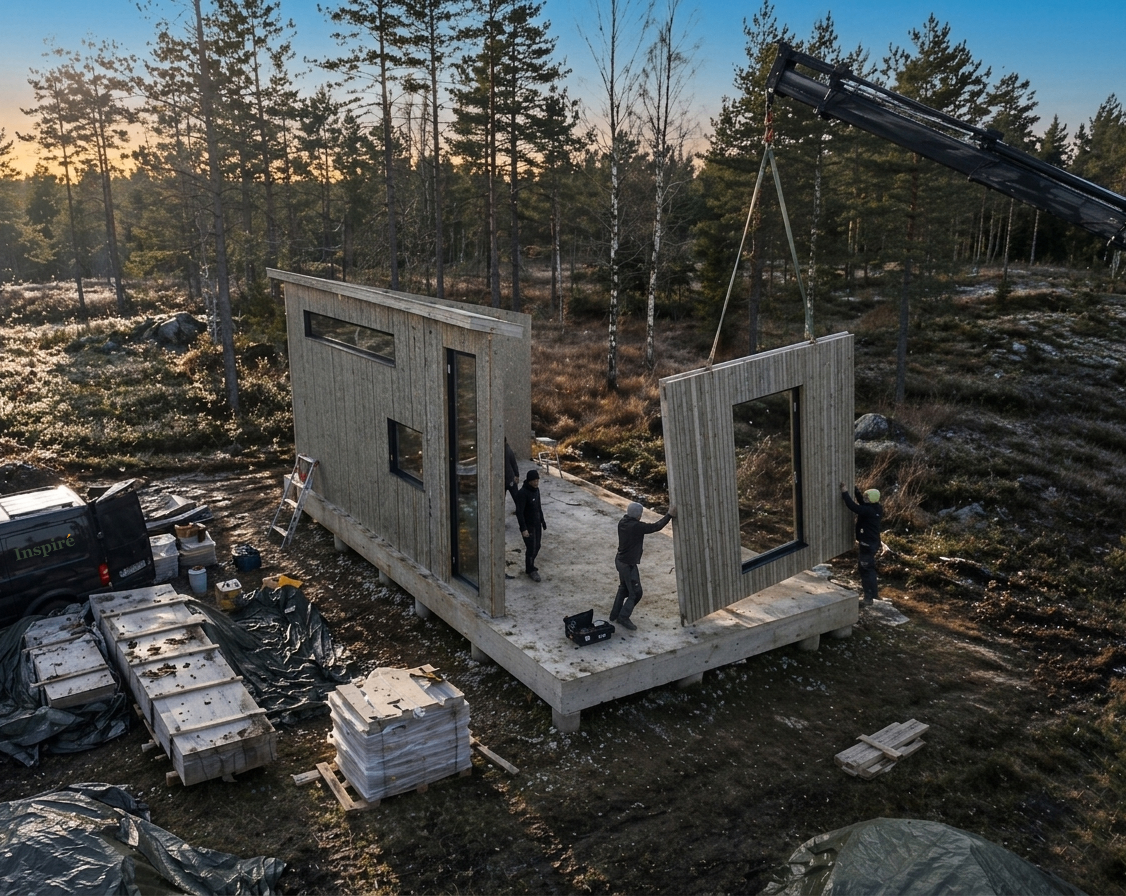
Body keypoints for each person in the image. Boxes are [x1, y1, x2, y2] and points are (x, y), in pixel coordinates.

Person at [610, 502, 676, 631]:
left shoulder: (623, 522)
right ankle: (623, 617)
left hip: (620, 560)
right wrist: (669, 515)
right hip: (628, 565)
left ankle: (614, 614)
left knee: (624, 588)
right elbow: (656, 527)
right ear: (638, 515)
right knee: (636, 592)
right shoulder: (636, 526)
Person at [840, 482, 882, 605]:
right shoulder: (876, 508)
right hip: (872, 543)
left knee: (865, 569)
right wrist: (855, 489)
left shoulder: (868, 511)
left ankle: (868, 598)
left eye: (867, 497)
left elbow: (853, 506)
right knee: (868, 568)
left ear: (872, 499)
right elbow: (862, 502)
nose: (864, 499)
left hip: (867, 545)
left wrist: (845, 493)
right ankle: (873, 594)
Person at [515, 469, 546, 582]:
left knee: (537, 546)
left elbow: (538, 507)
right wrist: (523, 529)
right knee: (531, 548)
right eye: (534, 480)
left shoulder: (536, 490)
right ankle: (530, 569)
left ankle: (531, 565)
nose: (536, 482)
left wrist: (542, 521)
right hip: (529, 526)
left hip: (537, 524)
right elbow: (519, 512)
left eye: (537, 480)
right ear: (529, 481)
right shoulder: (522, 493)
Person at [504, 437, 520, 508]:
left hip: (510, 478)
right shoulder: (505, 450)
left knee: (516, 497)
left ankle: (520, 510)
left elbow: (514, 463)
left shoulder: (507, 450)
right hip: (506, 478)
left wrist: (516, 475)